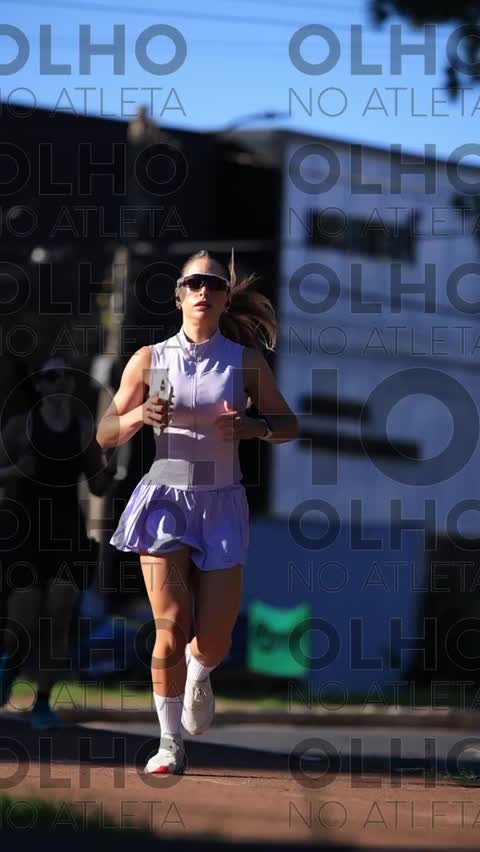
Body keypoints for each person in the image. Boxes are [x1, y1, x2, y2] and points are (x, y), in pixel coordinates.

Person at [97, 248, 298, 774]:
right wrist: (139, 414)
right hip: (165, 499)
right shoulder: (150, 358)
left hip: (221, 502)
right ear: (179, 296)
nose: (203, 291)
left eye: (213, 283)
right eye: (193, 283)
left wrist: (255, 427)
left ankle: (199, 670)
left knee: (212, 640)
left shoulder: (244, 362)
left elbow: (288, 424)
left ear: (226, 297)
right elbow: (105, 431)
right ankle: (169, 743)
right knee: (170, 623)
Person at [0, 355, 118, 729]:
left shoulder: (82, 429)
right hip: (26, 530)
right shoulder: (22, 427)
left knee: (59, 614)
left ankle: (42, 702)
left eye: (64, 377)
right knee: (22, 618)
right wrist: (16, 471)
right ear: (39, 385)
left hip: (67, 531)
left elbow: (97, 486)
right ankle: (10, 666)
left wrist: (108, 471)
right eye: (51, 378)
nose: (59, 384)